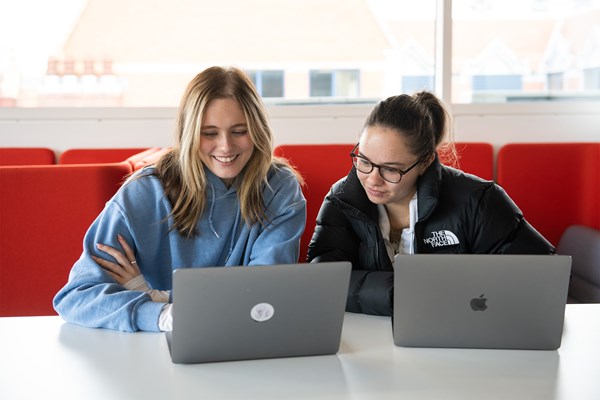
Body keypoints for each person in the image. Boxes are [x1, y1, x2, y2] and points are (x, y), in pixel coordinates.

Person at [53, 66, 306, 332]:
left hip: (245, 339)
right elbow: (75, 298)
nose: (226, 146)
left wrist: (157, 295)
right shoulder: (144, 193)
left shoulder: (279, 187)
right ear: (189, 134)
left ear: (258, 130)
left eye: (239, 131)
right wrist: (160, 315)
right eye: (209, 133)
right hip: (150, 347)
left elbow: (265, 295)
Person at [306, 91, 554, 317]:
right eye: (364, 160)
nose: (372, 179)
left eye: (391, 169)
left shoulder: (479, 200)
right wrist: (406, 294)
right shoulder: (342, 199)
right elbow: (323, 281)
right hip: (371, 343)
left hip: (462, 340)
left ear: (425, 162)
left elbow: (546, 278)